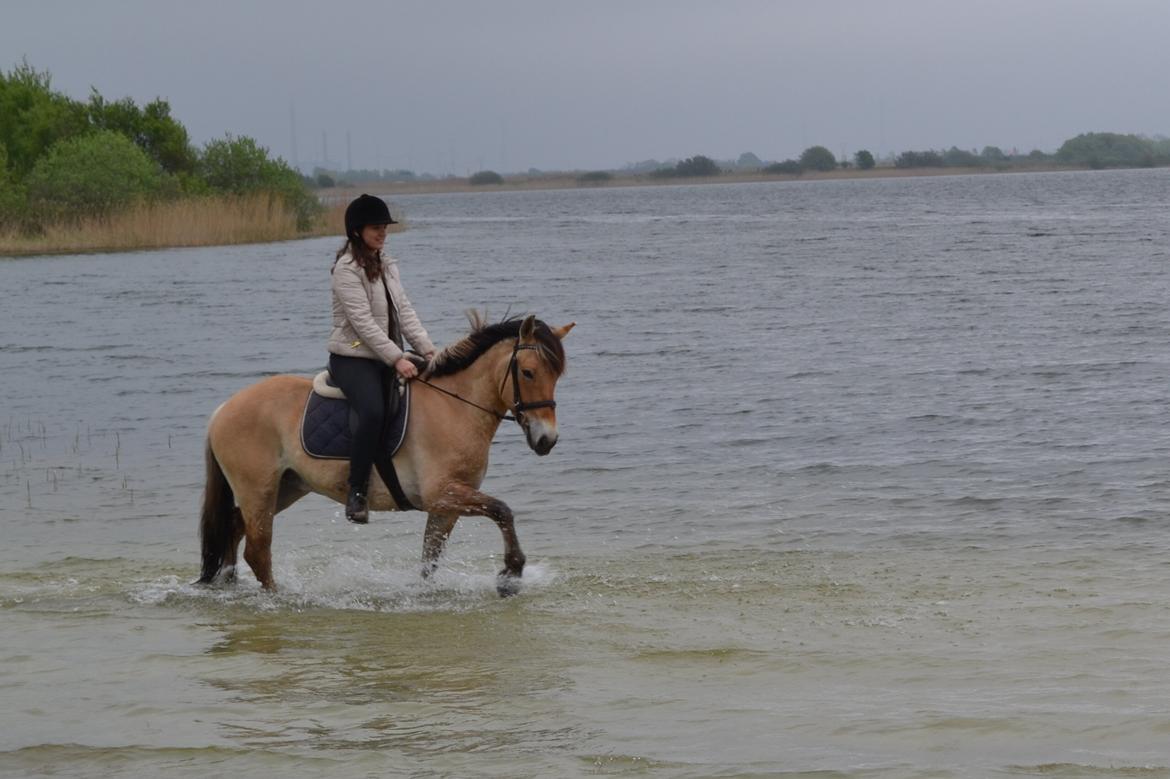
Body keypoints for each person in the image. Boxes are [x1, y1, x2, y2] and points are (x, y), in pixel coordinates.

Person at [328, 194, 436, 523]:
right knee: (373, 410)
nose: (383, 233)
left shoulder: (387, 264)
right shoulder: (346, 270)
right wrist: (397, 358)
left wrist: (429, 350)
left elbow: (404, 312)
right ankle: (356, 491)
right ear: (357, 231)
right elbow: (363, 324)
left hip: (385, 355)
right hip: (353, 358)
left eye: (385, 227)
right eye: (376, 228)